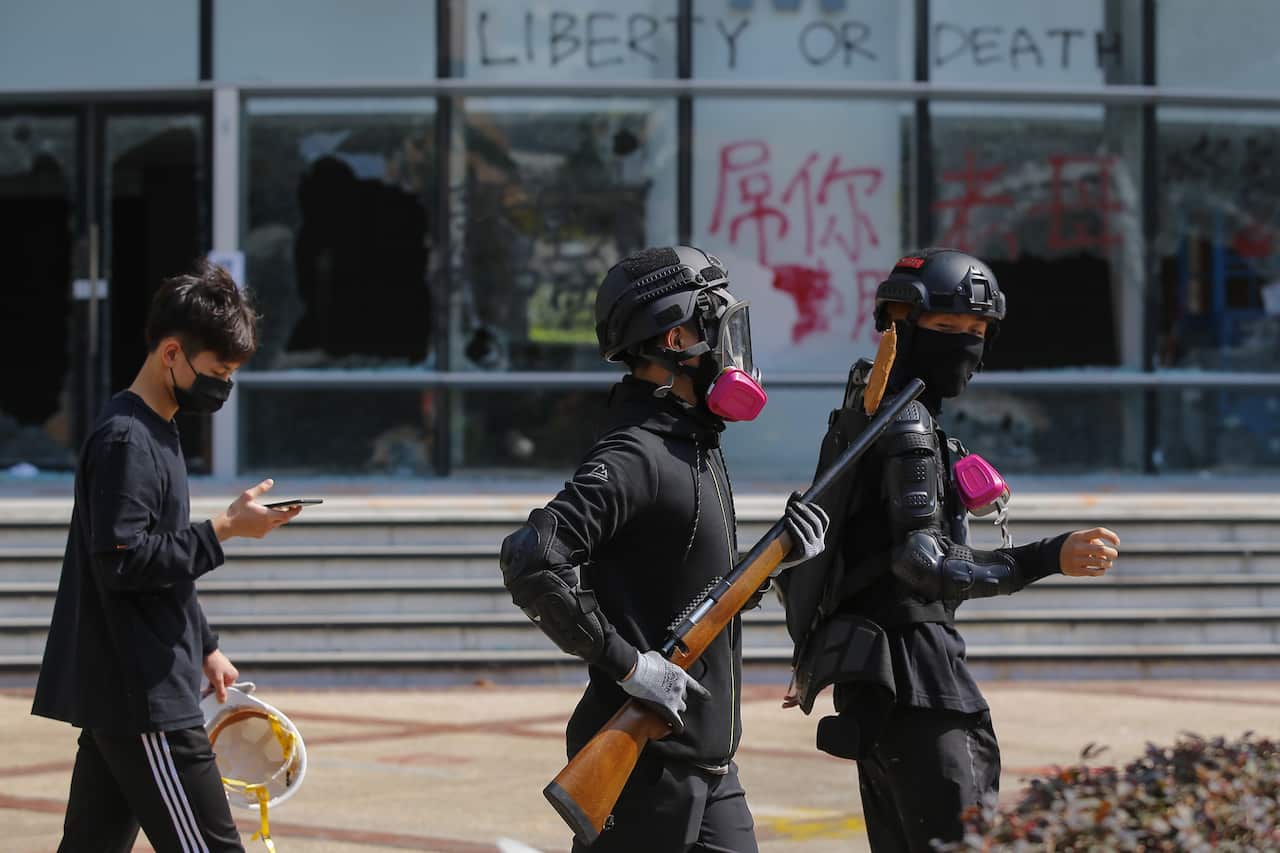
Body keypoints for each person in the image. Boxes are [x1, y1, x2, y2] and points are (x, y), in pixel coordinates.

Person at [780, 248, 1122, 851]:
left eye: (978, 331)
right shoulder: (905, 423)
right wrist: (1047, 557)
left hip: (874, 680)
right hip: (917, 677)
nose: (966, 344)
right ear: (900, 326)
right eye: (947, 328)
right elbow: (923, 563)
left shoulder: (864, 416)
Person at [500, 245, 830, 853]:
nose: (734, 350)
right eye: (718, 328)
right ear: (676, 339)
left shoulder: (694, 442)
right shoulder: (637, 454)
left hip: (708, 766)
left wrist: (775, 567)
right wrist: (629, 664)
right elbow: (531, 558)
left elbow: (687, 588)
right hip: (644, 770)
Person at [32, 261, 306, 853]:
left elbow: (154, 555)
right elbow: (123, 562)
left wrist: (204, 643)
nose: (223, 387)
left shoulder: (156, 429)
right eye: (218, 371)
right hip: (145, 699)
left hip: (135, 688)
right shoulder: (127, 439)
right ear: (172, 355)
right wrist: (225, 529)